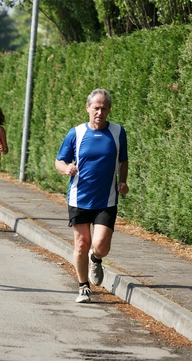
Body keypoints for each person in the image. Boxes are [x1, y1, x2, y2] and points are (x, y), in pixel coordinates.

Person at [55, 88, 129, 303]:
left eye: (104, 108)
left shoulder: (117, 132)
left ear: (109, 110)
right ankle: (83, 286)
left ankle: (96, 259)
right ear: (88, 108)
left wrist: (123, 181)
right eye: (96, 107)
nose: (99, 112)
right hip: (79, 198)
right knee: (81, 244)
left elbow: (123, 160)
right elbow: (59, 160)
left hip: (106, 199)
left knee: (101, 245)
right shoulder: (76, 133)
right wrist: (66, 168)